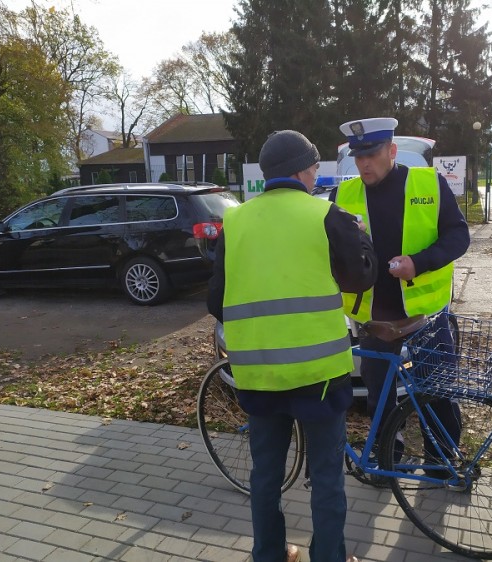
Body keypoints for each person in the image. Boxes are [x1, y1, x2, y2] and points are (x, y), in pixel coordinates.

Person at [207, 130, 375, 562]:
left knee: (265, 475)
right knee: (326, 479)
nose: (317, 175)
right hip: (318, 376)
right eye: (316, 167)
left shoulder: (236, 221)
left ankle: (269, 554)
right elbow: (360, 278)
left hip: (258, 375)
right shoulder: (326, 215)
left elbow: (215, 301)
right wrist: (362, 238)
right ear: (303, 170)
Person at [330, 117, 470, 474]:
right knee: (379, 394)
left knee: (436, 389)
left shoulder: (428, 183)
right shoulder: (343, 195)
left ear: (391, 151)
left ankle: (442, 461)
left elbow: (458, 237)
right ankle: (388, 452)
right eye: (358, 157)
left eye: (372, 155)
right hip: (374, 316)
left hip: (425, 312)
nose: (364, 164)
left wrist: (419, 263)